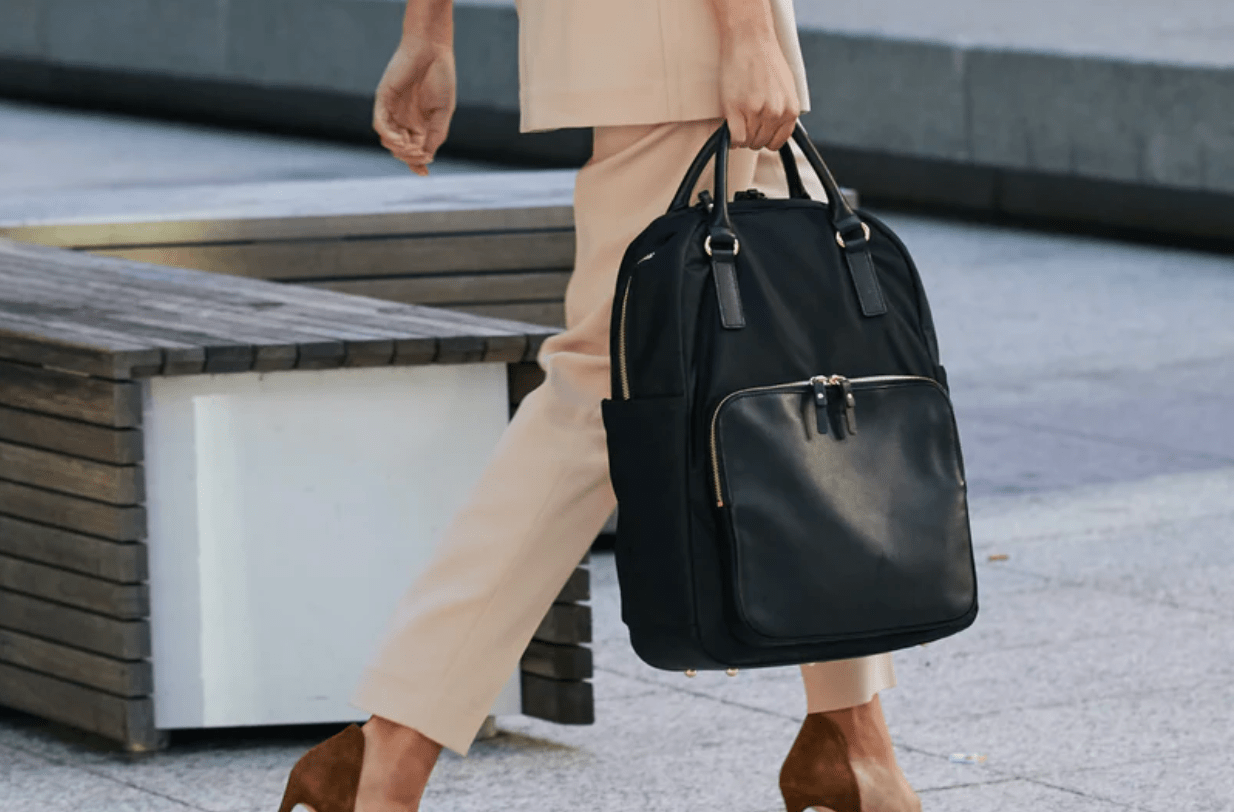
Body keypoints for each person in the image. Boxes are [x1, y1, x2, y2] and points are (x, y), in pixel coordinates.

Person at [276, 2, 921, 811]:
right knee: (607, 379)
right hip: (685, 30)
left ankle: (851, 737)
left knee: (793, 362)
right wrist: (748, 29)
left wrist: (428, 30)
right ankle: (391, 748)